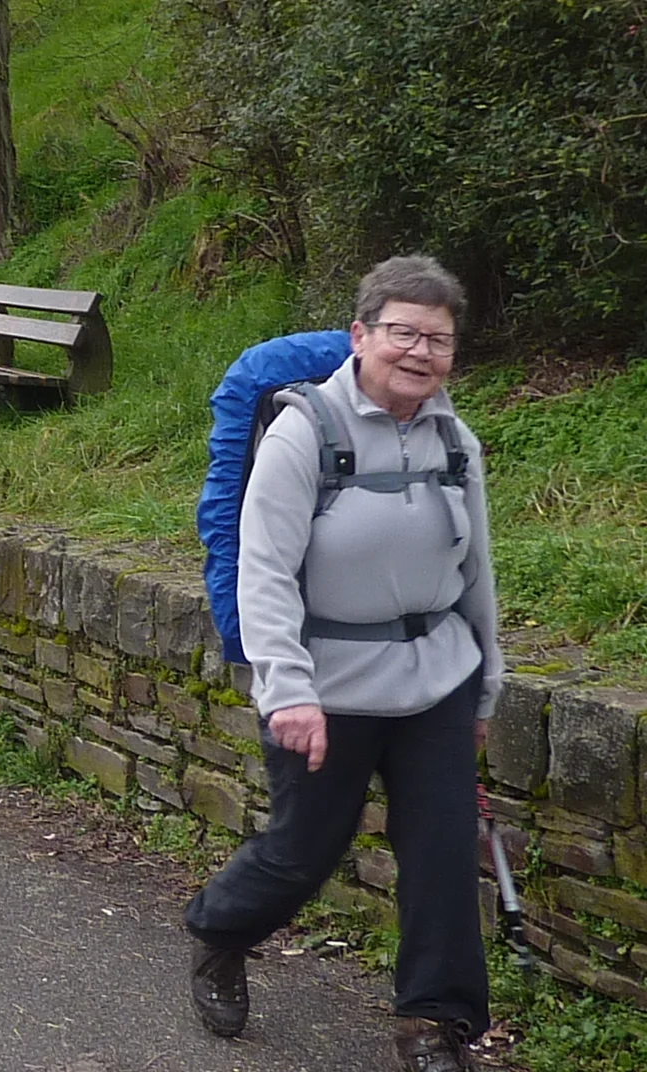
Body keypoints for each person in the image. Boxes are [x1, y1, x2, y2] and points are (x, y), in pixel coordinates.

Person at [184, 255, 502, 1072]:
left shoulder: (455, 442)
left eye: (438, 338)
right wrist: (285, 690)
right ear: (360, 335)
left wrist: (485, 686)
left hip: (436, 679)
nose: (420, 352)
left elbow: (476, 575)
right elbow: (262, 572)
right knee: (305, 850)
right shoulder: (305, 431)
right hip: (324, 686)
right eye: (402, 332)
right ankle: (220, 930)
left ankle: (435, 1026)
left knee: (439, 852)